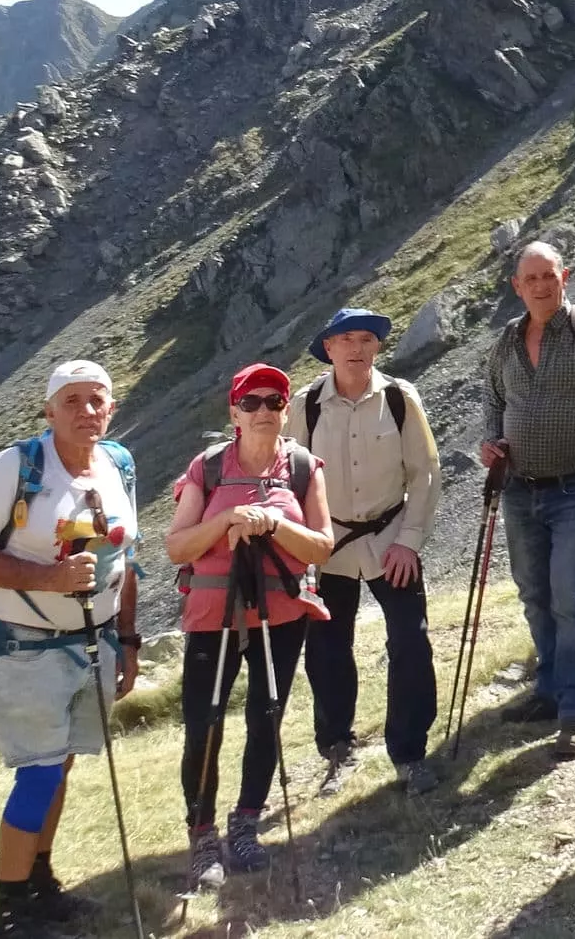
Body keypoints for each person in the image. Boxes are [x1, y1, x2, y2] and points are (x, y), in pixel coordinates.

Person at [0, 361, 142, 936]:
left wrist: (128, 640)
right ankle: (9, 910)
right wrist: (50, 581)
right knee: (38, 774)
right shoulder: (17, 466)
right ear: (49, 410)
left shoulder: (118, 464)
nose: (87, 411)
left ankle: (39, 883)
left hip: (95, 639)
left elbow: (125, 561)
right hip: (27, 646)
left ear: (110, 407)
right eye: (73, 401)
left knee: (59, 766)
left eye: (97, 400)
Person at [168, 363, 335, 880]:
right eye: (252, 402)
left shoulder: (305, 468)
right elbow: (177, 545)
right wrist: (226, 520)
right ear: (234, 411)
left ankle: (245, 823)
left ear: (286, 410)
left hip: (279, 614)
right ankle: (202, 835)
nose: (264, 410)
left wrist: (276, 523)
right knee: (203, 725)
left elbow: (323, 546)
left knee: (266, 717)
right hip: (212, 615)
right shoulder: (208, 468)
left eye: (275, 401)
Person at [480, 245, 575, 757]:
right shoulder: (505, 340)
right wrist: (491, 441)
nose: (542, 285)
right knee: (533, 593)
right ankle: (547, 690)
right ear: (517, 286)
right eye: (532, 278)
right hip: (519, 490)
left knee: (568, 594)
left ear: (564, 277)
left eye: (550, 275)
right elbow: (494, 401)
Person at [292, 308, 441, 796]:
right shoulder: (306, 404)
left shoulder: (400, 398)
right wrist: (301, 545)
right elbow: (289, 479)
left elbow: (425, 473)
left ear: (377, 348)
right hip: (327, 544)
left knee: (410, 641)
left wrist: (409, 540)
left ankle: (411, 753)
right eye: (345, 339)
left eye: (366, 339)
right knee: (329, 649)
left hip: (390, 537)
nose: (357, 347)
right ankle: (336, 748)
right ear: (328, 348)